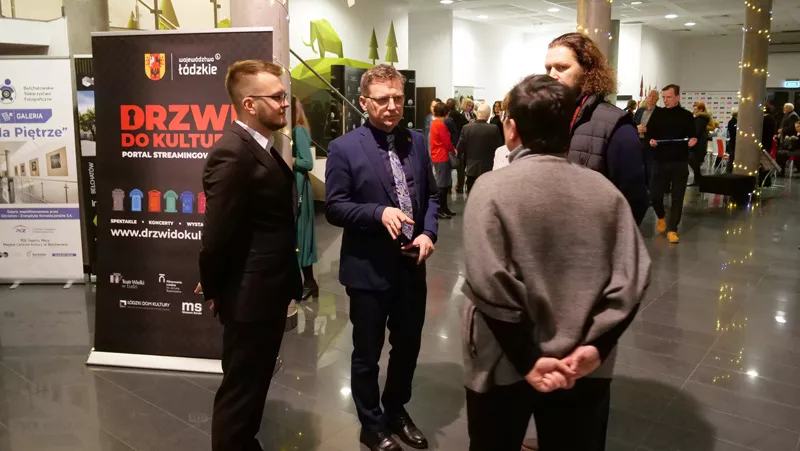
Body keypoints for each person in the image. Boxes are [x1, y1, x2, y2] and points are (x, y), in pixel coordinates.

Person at [462, 74, 651, 451]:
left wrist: (529, 360)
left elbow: (489, 284)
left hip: (503, 361)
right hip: (581, 363)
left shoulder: (491, 190)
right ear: (568, 129)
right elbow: (631, 278)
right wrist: (597, 347)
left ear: (512, 129)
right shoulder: (606, 193)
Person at [325, 64, 439, 451]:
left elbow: (433, 196)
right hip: (368, 271)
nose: (392, 106)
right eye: (382, 99)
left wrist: (428, 233)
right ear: (364, 102)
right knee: (367, 353)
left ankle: (396, 410)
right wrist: (377, 212)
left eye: (397, 98)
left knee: (407, 348)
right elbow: (335, 207)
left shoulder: (416, 142)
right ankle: (371, 424)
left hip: (411, 267)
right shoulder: (344, 148)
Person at [199, 60, 302, 451]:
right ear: (249, 104)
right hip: (249, 296)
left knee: (255, 382)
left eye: (283, 95)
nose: (284, 103)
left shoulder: (260, 147)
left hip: (266, 291)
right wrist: (215, 287)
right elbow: (217, 236)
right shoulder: (232, 154)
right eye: (276, 97)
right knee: (241, 390)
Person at [545, 32, 649, 224]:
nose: (552, 75)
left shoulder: (616, 124)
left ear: (587, 69)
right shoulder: (547, 117)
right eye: (548, 68)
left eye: (562, 67)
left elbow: (633, 199)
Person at [645, 84, 698, 244]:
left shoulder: (686, 115)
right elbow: (649, 133)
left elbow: (693, 135)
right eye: (664, 97)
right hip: (660, 161)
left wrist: (693, 140)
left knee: (677, 197)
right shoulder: (658, 113)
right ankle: (661, 215)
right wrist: (651, 141)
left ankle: (673, 229)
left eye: (669, 97)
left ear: (677, 97)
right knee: (655, 195)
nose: (665, 100)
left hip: (679, 162)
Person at [292, 96, 319, 300]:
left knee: (301, 235)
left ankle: (309, 282)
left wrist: (290, 158)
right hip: (294, 188)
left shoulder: (298, 130)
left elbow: (307, 162)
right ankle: (306, 283)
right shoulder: (290, 131)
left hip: (300, 189)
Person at [457, 103, 503, 192]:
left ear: (477, 114)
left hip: (471, 168)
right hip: (488, 168)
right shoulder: (494, 129)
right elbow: (499, 148)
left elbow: (460, 148)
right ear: (488, 115)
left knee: (471, 195)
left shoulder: (466, 128)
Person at [430, 102, 457, 218]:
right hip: (442, 156)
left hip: (437, 156)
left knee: (444, 184)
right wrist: (453, 150)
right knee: (443, 185)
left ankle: (444, 208)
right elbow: (447, 142)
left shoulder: (434, 124)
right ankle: (440, 209)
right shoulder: (440, 125)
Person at [634, 89, 660, 185]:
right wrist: (636, 128)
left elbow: (662, 129)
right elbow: (632, 123)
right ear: (646, 97)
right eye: (650, 96)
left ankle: (650, 187)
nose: (651, 98)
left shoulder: (660, 112)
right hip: (638, 142)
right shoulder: (640, 111)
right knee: (637, 166)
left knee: (650, 168)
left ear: (657, 99)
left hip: (650, 144)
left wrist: (648, 130)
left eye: (654, 97)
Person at [446, 98, 468, 193]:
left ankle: (448, 188)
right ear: (455, 105)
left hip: (448, 145)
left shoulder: (445, 118)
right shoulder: (461, 116)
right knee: (460, 167)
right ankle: (460, 187)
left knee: (447, 167)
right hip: (459, 143)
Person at [690, 102, 713, 184]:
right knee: (694, 161)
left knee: (693, 160)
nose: (694, 111)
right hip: (699, 142)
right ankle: (698, 179)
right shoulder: (701, 119)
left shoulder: (700, 119)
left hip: (698, 143)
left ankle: (698, 179)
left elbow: (697, 131)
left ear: (701, 110)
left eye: (696, 109)